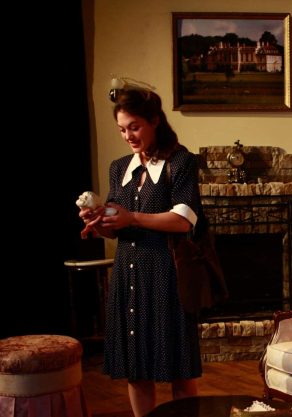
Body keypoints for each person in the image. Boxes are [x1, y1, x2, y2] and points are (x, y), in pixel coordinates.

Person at [78, 86, 202, 417]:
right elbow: (116, 225)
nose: (127, 136)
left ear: (154, 121)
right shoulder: (119, 167)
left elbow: (183, 220)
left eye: (134, 127)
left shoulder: (181, 162)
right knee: (136, 368)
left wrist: (132, 217)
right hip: (128, 274)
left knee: (179, 368)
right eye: (122, 129)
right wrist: (98, 222)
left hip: (166, 275)